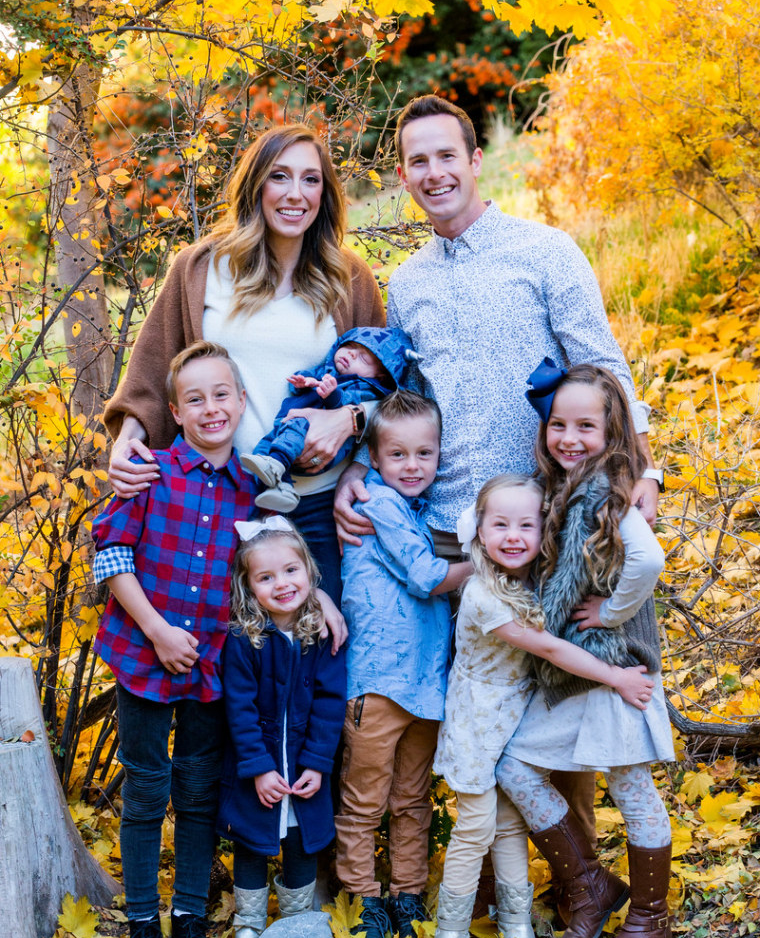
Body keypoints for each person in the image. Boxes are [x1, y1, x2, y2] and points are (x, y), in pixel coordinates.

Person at [334, 94, 664, 840]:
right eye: (418, 161)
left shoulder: (546, 252)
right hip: (452, 527)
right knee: (476, 708)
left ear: (475, 160)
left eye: (447, 155)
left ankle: (569, 887)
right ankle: (487, 878)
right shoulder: (409, 283)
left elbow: (602, 368)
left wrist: (644, 469)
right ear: (404, 174)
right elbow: (404, 401)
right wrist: (361, 468)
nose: (434, 172)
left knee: (558, 699)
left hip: (544, 521)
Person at [105, 123, 385, 601]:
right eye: (280, 176)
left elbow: (390, 392)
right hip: (213, 496)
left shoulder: (350, 278)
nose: (296, 194)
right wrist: (126, 446)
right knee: (221, 654)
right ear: (255, 184)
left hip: (315, 503)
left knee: (317, 654)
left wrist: (351, 418)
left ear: (326, 192)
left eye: (311, 179)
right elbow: (151, 379)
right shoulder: (198, 269)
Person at [429, 474, 656, 938]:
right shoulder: (485, 595)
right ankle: (452, 935)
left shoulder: (528, 582)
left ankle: (517, 928)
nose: (514, 536)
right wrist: (616, 677)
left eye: (526, 525)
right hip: (477, 727)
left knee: (511, 827)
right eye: (500, 525)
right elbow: (551, 648)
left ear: (542, 532)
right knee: (475, 830)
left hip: (514, 721)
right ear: (479, 533)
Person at [496, 364, 674, 938]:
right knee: (515, 763)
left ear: (613, 431)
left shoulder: (607, 490)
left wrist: (614, 612)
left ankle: (651, 916)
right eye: (558, 425)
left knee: (631, 788)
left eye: (585, 427)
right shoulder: (567, 489)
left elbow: (647, 561)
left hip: (615, 667)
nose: (569, 437)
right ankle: (591, 885)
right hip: (578, 673)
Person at [91, 342, 258, 938]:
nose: (211, 408)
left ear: (242, 402)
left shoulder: (254, 492)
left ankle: (188, 921)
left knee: (195, 793)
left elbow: (271, 572)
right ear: (175, 412)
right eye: (195, 399)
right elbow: (111, 557)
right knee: (146, 790)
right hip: (143, 656)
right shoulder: (150, 474)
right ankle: (141, 929)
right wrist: (158, 630)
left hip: (213, 665)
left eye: (223, 394)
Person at [336, 390, 472, 938]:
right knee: (365, 797)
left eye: (424, 454)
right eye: (397, 455)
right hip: (378, 683)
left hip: (425, 685)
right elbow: (423, 575)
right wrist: (483, 564)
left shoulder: (420, 509)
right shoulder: (379, 505)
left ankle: (407, 894)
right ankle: (362, 898)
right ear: (374, 457)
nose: (412, 467)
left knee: (413, 798)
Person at [218, 518, 345, 938]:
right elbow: (239, 708)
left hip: (305, 768)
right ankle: (249, 928)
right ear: (249, 587)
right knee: (252, 842)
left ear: (309, 571)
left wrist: (316, 763)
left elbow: (331, 704)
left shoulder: (322, 635)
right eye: (266, 577)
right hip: (259, 767)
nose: (282, 584)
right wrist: (258, 768)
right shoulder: (243, 639)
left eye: (291, 571)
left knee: (301, 844)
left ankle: (295, 927)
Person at [242, 326, 412, 513]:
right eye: (350, 346)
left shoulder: (364, 387)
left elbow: (346, 403)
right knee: (263, 451)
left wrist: (332, 395)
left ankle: (277, 468)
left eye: (363, 357)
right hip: (285, 429)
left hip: (312, 436)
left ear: (380, 375)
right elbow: (311, 379)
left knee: (294, 431)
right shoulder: (329, 370)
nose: (352, 355)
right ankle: (282, 490)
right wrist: (304, 382)